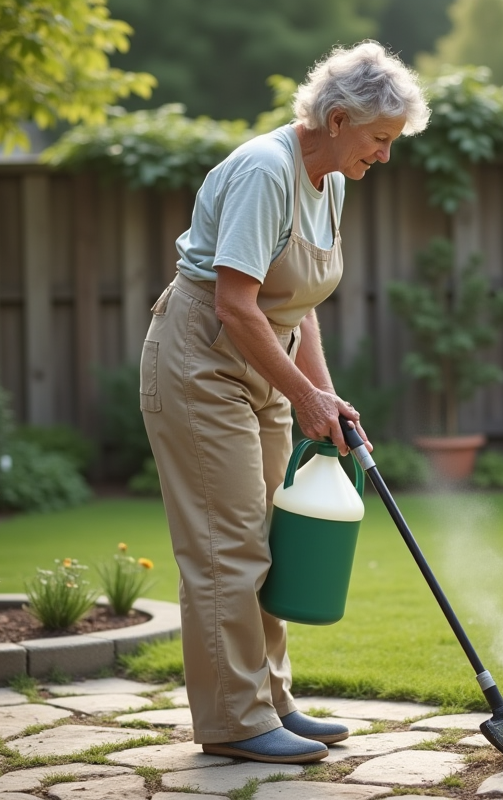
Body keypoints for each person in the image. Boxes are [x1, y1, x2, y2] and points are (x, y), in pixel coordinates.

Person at [139, 41, 430, 765]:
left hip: (266, 361)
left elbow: (296, 301)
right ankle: (234, 721)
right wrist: (302, 394)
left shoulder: (330, 176)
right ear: (337, 118)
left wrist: (318, 389)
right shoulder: (265, 171)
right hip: (204, 361)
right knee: (225, 544)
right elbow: (237, 305)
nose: (384, 157)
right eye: (379, 140)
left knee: (270, 538)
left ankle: (271, 699)